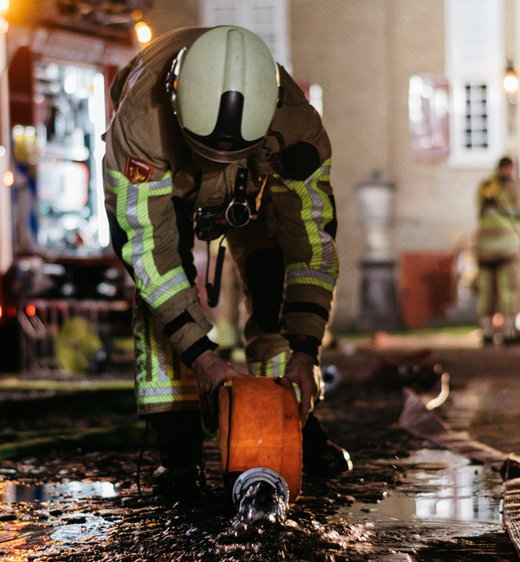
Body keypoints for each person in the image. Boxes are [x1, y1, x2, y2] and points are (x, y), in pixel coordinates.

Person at [102, 25, 351, 497]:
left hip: (254, 188)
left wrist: (306, 351)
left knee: (273, 281)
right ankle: (178, 451)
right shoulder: (139, 127)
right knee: (164, 299)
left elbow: (311, 246)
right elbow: (149, 255)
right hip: (170, 185)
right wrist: (203, 357)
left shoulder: (298, 131)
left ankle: (287, 425)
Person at [475, 156, 520, 346]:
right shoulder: (515, 187)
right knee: (509, 290)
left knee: (486, 292)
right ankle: (509, 332)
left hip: (484, 248)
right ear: (512, 168)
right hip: (508, 248)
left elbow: (479, 210)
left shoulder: (484, 187)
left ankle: (486, 332)